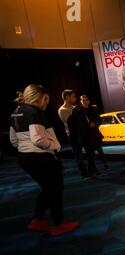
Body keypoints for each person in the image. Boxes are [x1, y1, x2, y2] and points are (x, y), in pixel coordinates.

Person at [9, 84, 79, 236]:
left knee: (46, 188)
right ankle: (59, 225)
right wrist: (55, 146)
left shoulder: (16, 111)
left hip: (24, 158)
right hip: (41, 157)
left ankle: (38, 220)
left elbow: (13, 140)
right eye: (45, 99)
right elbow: (37, 139)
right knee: (55, 189)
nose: (47, 103)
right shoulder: (34, 112)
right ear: (38, 98)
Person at [59, 89, 98, 179]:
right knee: (78, 156)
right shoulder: (62, 110)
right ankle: (84, 174)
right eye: (73, 96)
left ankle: (92, 171)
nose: (75, 98)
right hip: (73, 136)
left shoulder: (76, 108)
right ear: (67, 97)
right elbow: (70, 123)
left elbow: (85, 120)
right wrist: (77, 111)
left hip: (83, 133)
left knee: (90, 152)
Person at [80, 95, 110, 170]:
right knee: (90, 154)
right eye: (83, 100)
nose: (85, 101)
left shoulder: (93, 109)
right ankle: (93, 169)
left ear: (89, 101)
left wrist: (94, 123)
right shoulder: (80, 111)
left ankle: (105, 164)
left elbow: (100, 121)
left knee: (100, 151)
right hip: (87, 136)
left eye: (86, 100)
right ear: (80, 101)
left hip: (95, 134)